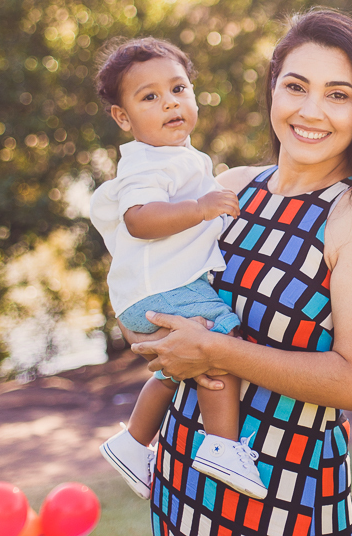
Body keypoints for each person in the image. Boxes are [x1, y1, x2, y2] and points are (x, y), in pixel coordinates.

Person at [127, 10, 352, 536]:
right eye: (296, 86)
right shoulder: (232, 186)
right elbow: (154, 293)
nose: (311, 111)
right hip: (181, 480)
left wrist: (215, 351)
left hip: (284, 497)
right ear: (273, 88)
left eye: (338, 95)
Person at [89, 37, 264, 500]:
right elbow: (140, 220)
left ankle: (131, 443)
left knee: (172, 369)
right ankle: (222, 446)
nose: (169, 102)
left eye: (178, 89)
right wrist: (202, 208)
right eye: (150, 97)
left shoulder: (178, 157)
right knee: (217, 341)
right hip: (163, 288)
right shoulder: (146, 164)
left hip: (154, 291)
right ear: (123, 118)